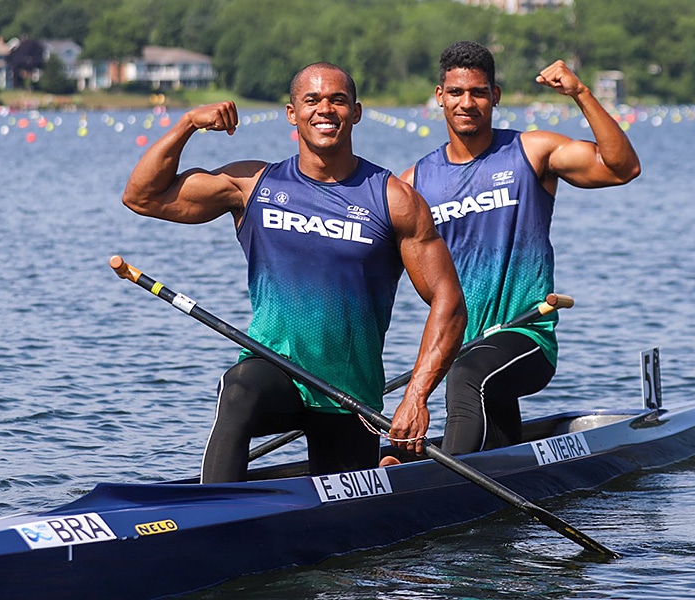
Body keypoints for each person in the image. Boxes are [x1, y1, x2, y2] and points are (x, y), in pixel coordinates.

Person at [122, 62, 466, 482]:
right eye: (313, 100)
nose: (326, 109)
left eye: (338, 100)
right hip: (276, 372)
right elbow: (142, 197)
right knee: (239, 389)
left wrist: (416, 395)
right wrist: (188, 124)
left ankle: (388, 463)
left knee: (347, 530)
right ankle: (213, 516)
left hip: (349, 396)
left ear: (355, 112)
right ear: (292, 113)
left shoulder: (394, 200)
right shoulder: (251, 184)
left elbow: (448, 303)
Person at [400, 41, 641, 455]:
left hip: (526, 335)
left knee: (467, 377)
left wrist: (581, 94)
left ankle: (442, 488)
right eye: (456, 92)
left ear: (494, 96)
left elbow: (622, 168)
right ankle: (499, 475)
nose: (467, 102)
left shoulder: (532, 152)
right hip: (463, 343)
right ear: (440, 97)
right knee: (482, 408)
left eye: (478, 92)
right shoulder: (414, 182)